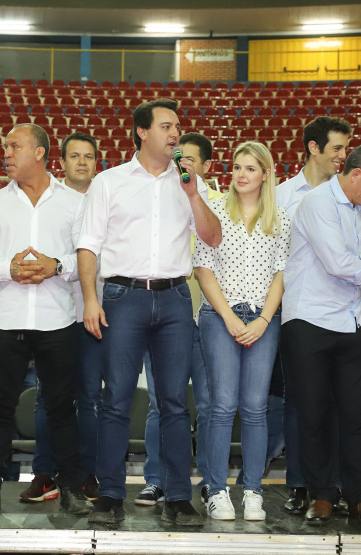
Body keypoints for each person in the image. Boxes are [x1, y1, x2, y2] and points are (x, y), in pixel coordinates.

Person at [78, 99, 221, 526]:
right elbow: (88, 245)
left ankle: (178, 495)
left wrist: (194, 193)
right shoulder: (110, 181)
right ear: (142, 132)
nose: (175, 133)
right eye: (165, 126)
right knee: (116, 398)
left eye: (177, 126)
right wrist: (90, 298)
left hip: (176, 298)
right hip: (123, 298)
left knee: (176, 402)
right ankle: (110, 494)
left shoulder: (190, 182)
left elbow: (212, 238)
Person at [0, 123, 92, 516]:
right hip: (7, 319)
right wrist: (9, 268)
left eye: (14, 146)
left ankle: (70, 487)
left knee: (61, 409)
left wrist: (55, 266)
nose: (6, 152)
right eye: (6, 146)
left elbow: (88, 256)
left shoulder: (73, 203)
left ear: (39, 153)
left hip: (57, 320)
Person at [281, 141, 361, 527]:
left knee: (357, 416)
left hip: (352, 321)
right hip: (309, 321)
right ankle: (322, 495)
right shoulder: (317, 202)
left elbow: (357, 268)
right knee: (314, 414)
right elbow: (338, 263)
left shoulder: (360, 211)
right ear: (355, 174)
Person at [194, 142, 291, 521]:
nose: (241, 174)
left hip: (264, 320)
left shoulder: (280, 218)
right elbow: (203, 269)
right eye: (237, 167)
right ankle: (217, 490)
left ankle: (252, 489)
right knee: (221, 406)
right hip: (220, 317)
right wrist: (230, 318)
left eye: (250, 168)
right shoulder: (214, 211)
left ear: (265, 174)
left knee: (255, 408)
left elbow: (280, 275)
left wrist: (264, 320)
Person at [273, 116, 352, 514]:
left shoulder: (351, 195)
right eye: (336, 148)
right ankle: (301, 483)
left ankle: (331, 486)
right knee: (296, 402)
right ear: (313, 148)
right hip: (299, 311)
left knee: (336, 402)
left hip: (341, 313)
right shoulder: (284, 196)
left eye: (345, 149)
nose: (343, 156)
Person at [135, 132, 218, 507]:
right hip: (167, 316)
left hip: (211, 321)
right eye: (178, 159)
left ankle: (209, 481)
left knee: (209, 405)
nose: (182, 166)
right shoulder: (160, 199)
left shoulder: (218, 206)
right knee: (162, 404)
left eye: (190, 161)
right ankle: (158, 478)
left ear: (207, 167)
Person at [21, 132, 102, 503]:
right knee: (47, 399)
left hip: (92, 315)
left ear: (96, 164)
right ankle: (44, 474)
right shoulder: (47, 205)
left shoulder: (106, 204)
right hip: (53, 312)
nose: (82, 162)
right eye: (74, 156)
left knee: (89, 398)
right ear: (62, 163)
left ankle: (86, 474)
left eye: (88, 156)